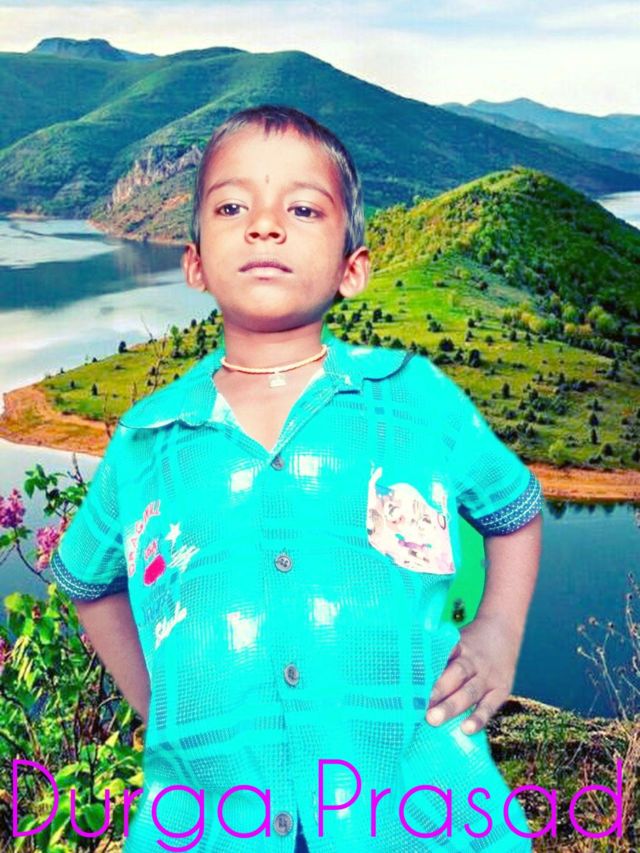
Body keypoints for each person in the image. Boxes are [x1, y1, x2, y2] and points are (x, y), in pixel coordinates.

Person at [51, 104, 543, 852]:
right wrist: (166, 710)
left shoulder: (415, 398)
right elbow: (89, 580)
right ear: (194, 262)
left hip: (418, 809)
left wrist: (499, 633)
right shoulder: (147, 439)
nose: (264, 226)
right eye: (232, 207)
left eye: (303, 209)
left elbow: (515, 510)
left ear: (353, 269)